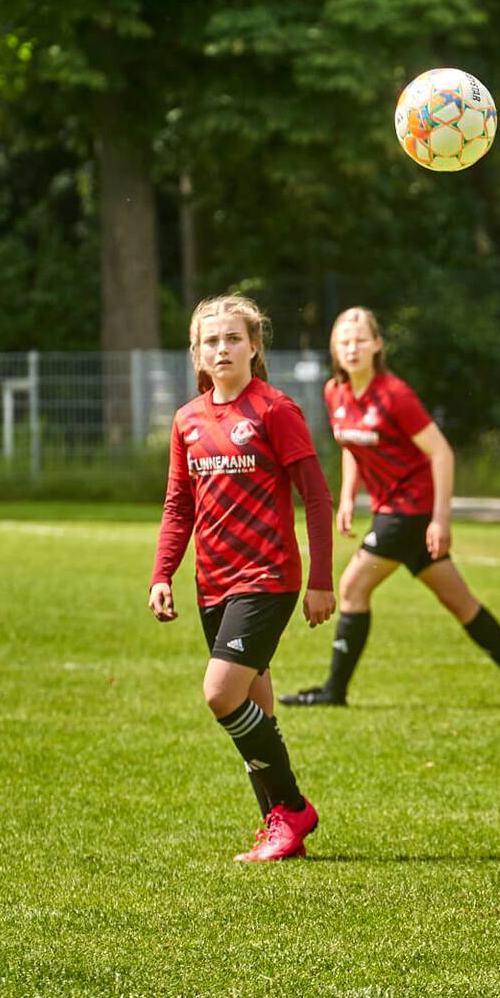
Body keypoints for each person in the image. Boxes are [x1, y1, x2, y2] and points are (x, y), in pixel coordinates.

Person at [280, 307, 500, 708]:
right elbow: (352, 445)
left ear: (377, 345)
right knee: (459, 601)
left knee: (353, 588)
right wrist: (350, 496)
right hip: (393, 511)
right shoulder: (335, 392)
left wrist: (440, 519)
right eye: (343, 341)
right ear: (334, 349)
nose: (351, 348)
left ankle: (334, 691)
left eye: (359, 340)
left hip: (410, 511)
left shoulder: (395, 395)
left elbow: (441, 453)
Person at [148, 294, 335, 862]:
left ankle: (294, 808)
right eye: (211, 341)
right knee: (258, 708)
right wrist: (163, 573)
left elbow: (317, 497)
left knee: (220, 693)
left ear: (254, 347)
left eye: (233, 338)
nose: (222, 348)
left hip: (268, 577)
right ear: (197, 354)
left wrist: (321, 580)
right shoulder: (187, 419)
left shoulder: (275, 411)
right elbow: (179, 504)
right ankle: (279, 826)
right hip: (213, 583)